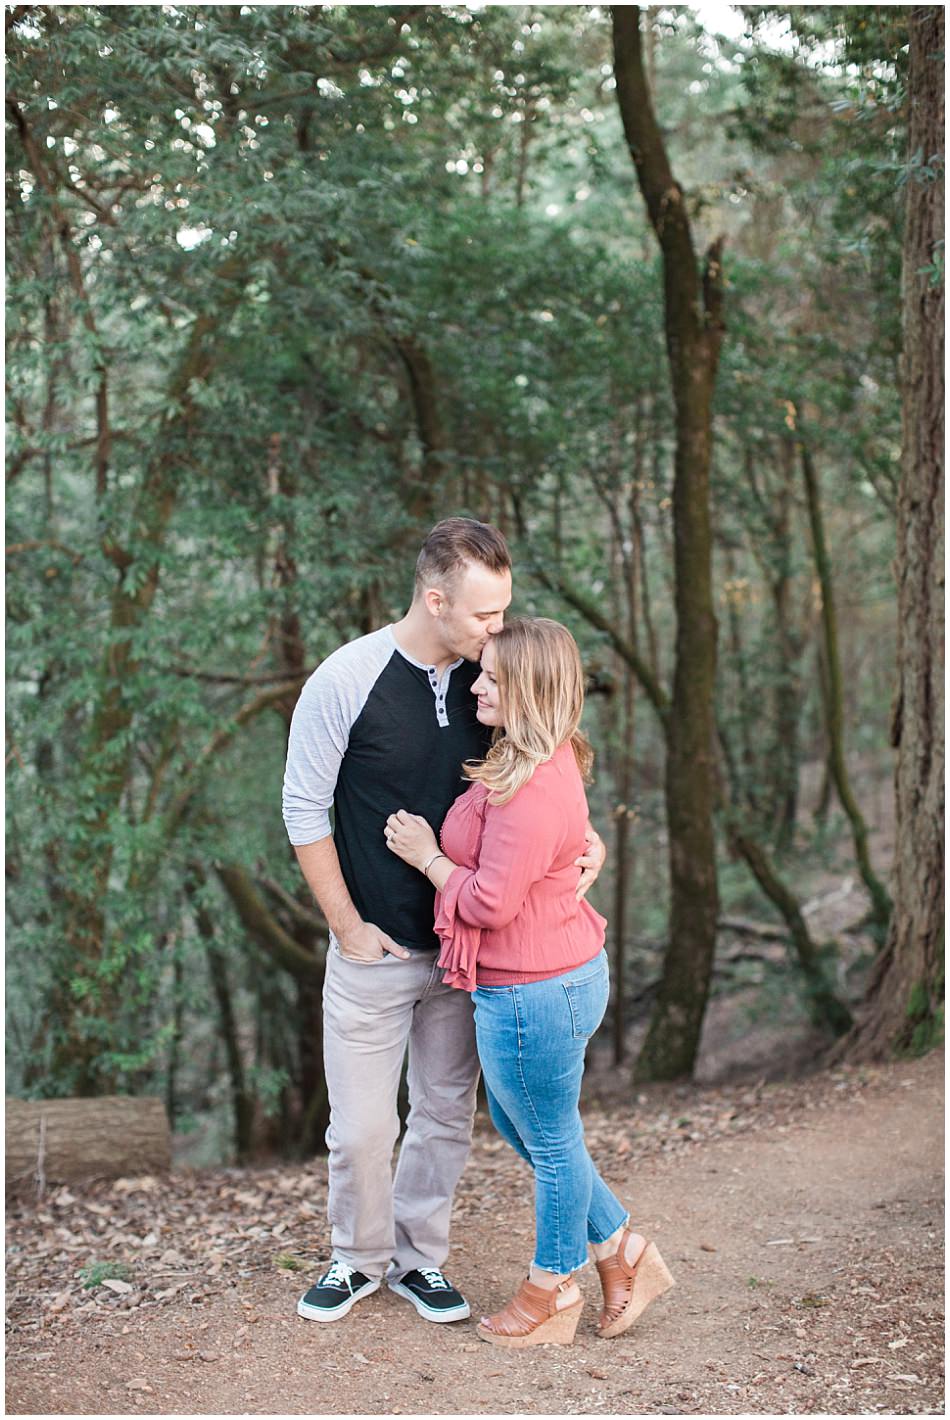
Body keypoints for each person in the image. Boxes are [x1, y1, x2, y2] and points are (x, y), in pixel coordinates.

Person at [281, 518, 605, 1326]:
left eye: (503, 614)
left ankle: (419, 1261)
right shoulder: (346, 680)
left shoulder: (492, 680)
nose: (499, 630)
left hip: (471, 958)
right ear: (435, 599)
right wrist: (348, 926)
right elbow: (301, 808)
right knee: (359, 1129)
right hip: (375, 949)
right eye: (485, 615)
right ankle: (355, 1260)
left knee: (443, 1118)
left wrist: (587, 842)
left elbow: (549, 767)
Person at [385, 617, 673, 1347]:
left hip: (534, 991)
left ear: (529, 689)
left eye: (491, 677)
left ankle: (552, 1288)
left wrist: (425, 855)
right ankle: (621, 1250)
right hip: (540, 981)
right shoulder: (530, 758)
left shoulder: (532, 785)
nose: (476, 684)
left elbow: (487, 902)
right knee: (534, 1130)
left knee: (547, 1141)